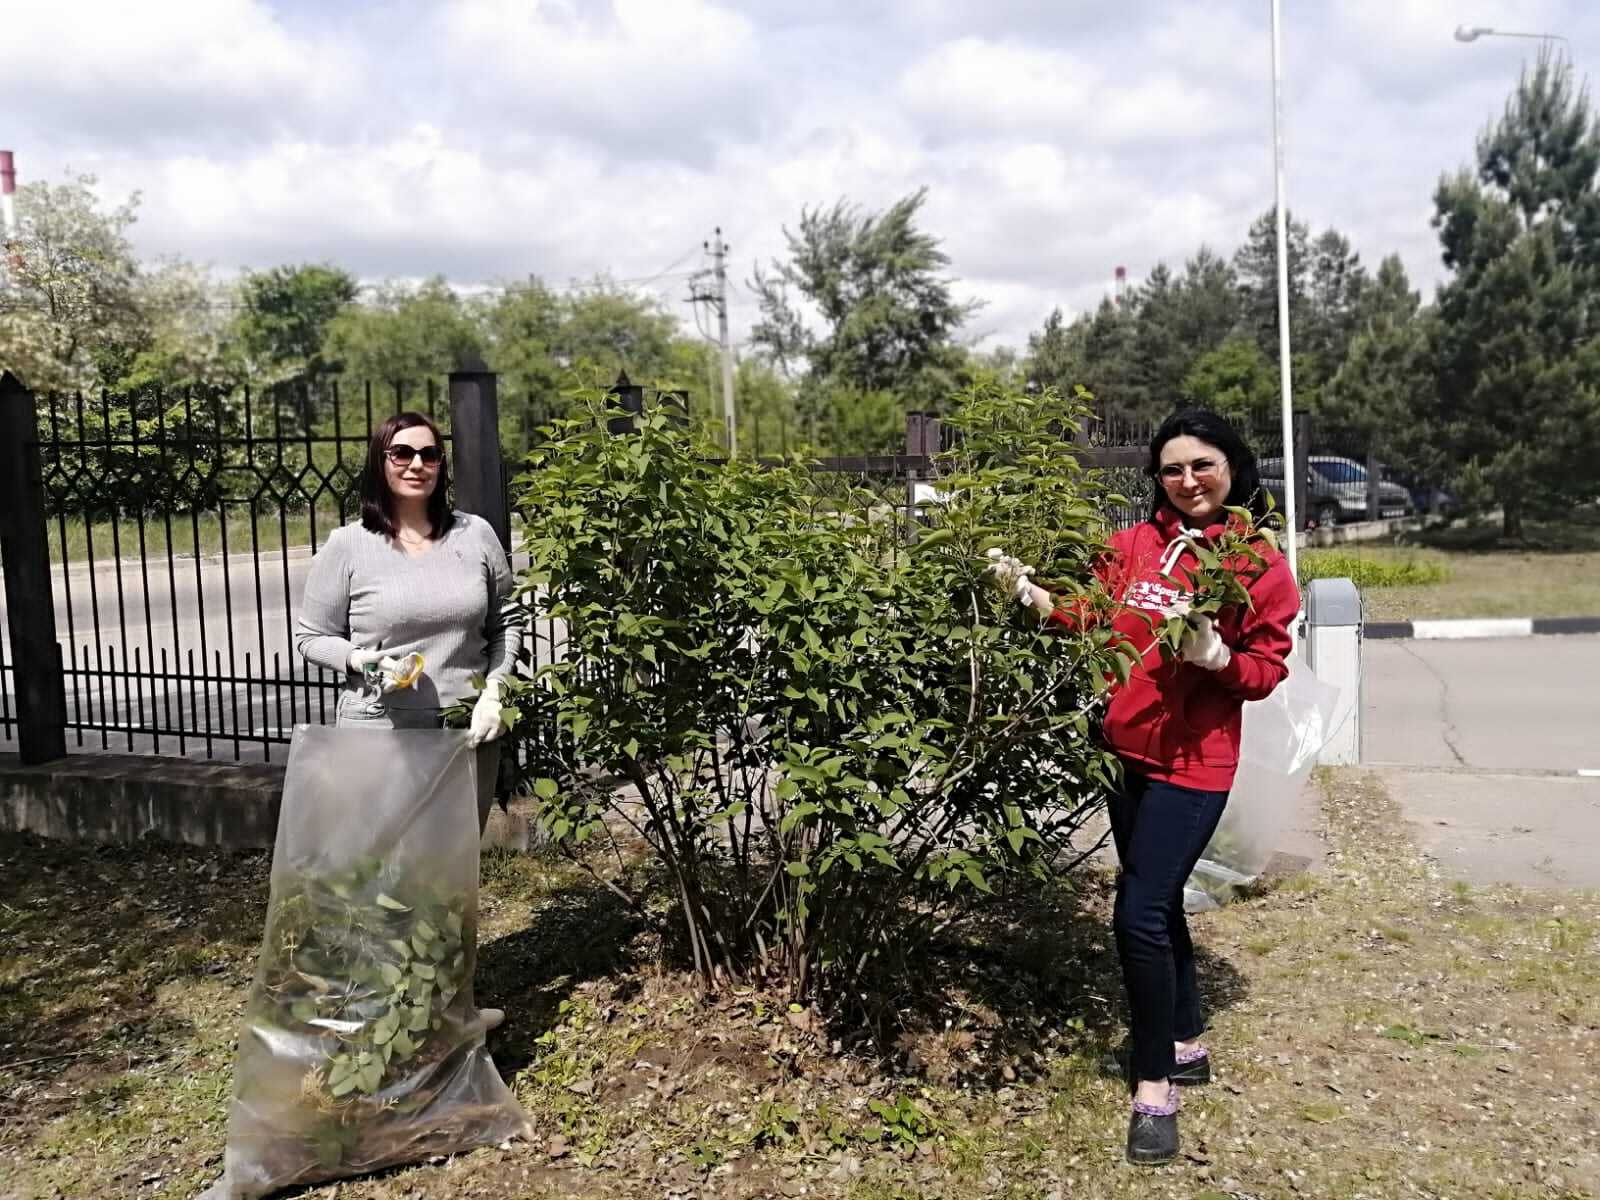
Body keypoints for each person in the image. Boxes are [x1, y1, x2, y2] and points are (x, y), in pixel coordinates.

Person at [989, 408, 1298, 1166]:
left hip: (1195, 765)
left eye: (1203, 464)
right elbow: (1091, 616)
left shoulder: (1257, 563)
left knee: (1135, 914)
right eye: (1172, 469)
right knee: (1155, 905)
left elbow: (1265, 672)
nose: (1188, 480)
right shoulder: (1132, 547)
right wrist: (1028, 592)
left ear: (1232, 468)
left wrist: (1219, 658)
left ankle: (1154, 1084)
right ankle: (1186, 1041)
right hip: (1124, 754)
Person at [295, 411, 521, 1025]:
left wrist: (495, 690)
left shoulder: (474, 535)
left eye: (429, 453)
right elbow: (311, 635)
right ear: (381, 461)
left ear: (442, 465)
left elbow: (506, 622)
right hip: (380, 736)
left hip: (465, 734)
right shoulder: (349, 545)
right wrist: (357, 658)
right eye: (402, 453)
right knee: (380, 879)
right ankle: (370, 1019)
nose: (417, 464)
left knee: (447, 877)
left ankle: (448, 1013)